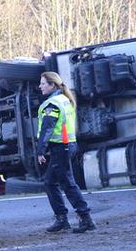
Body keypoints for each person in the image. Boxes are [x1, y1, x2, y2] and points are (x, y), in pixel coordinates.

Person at [36, 71, 95, 233]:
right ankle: (63, 218)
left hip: (61, 147)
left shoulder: (52, 104)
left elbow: (47, 128)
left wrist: (41, 150)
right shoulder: (64, 100)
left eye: (42, 83)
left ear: (52, 85)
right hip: (67, 146)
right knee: (51, 182)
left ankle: (85, 218)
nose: (40, 86)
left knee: (67, 183)